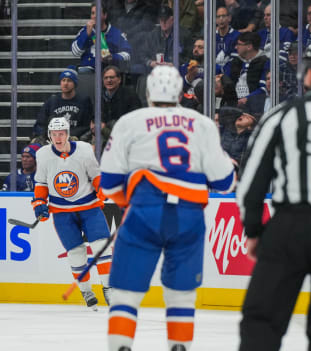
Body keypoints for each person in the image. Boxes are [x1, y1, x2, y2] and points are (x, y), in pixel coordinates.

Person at [99, 65, 236, 351]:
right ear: (179, 93)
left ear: (148, 92)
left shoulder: (130, 121)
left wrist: (131, 206)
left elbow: (109, 181)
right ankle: (179, 346)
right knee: (182, 294)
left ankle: (121, 346)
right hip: (189, 216)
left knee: (125, 292)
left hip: (143, 212)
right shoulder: (201, 123)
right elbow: (224, 182)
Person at [236, 40, 311, 351]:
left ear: (308, 75)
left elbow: (251, 179)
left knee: (262, 320)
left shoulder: (283, 115)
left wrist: (253, 229)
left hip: (290, 226)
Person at [33, 116, 112, 310]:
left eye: (61, 134)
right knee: (76, 253)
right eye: (54, 134)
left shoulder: (84, 150)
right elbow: (41, 182)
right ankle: (86, 290)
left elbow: (96, 176)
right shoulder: (43, 154)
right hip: (62, 213)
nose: (58, 138)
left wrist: (102, 191)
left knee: (102, 246)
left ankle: (109, 289)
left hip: (89, 208)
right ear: (49, 136)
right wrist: (39, 203)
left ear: (68, 134)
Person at [32, 68, 93, 141]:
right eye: (63, 80)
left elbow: (87, 126)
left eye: (69, 81)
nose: (65, 83)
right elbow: (40, 123)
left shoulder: (84, 101)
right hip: (53, 139)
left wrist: (72, 135)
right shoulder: (52, 101)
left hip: (75, 140)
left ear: (75, 84)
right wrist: (46, 135)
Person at [71, 4, 131, 73]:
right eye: (93, 13)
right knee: (83, 71)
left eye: (98, 13)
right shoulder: (85, 31)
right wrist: (86, 35)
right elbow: (75, 52)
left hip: (109, 70)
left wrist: (112, 57)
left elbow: (128, 54)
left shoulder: (116, 33)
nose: (95, 16)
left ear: (105, 15)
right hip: (88, 70)